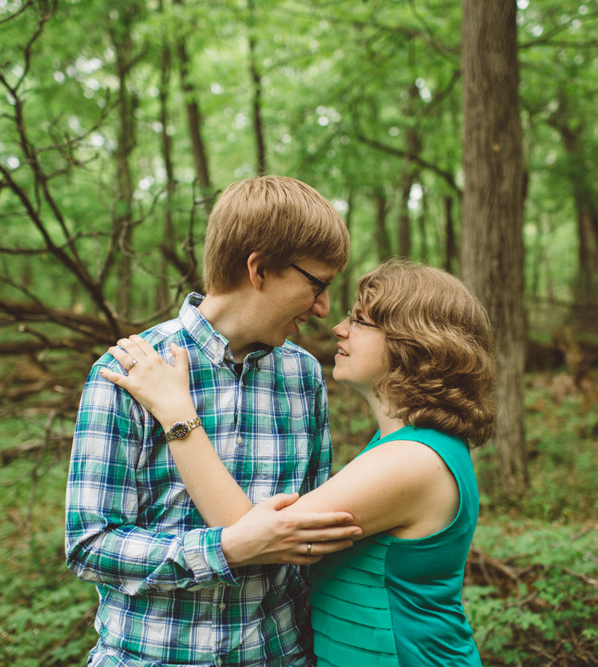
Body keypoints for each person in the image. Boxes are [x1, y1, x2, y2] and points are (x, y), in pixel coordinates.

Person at [102, 260, 496, 667]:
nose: (339, 328)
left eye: (360, 321)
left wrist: (176, 412)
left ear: (413, 343)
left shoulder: (413, 461)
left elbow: (253, 535)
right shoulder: (404, 446)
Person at [65, 175, 362, 667]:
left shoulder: (304, 376)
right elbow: (90, 543)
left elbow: (308, 535)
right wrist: (225, 548)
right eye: (317, 285)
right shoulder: (128, 371)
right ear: (259, 268)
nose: (324, 308)